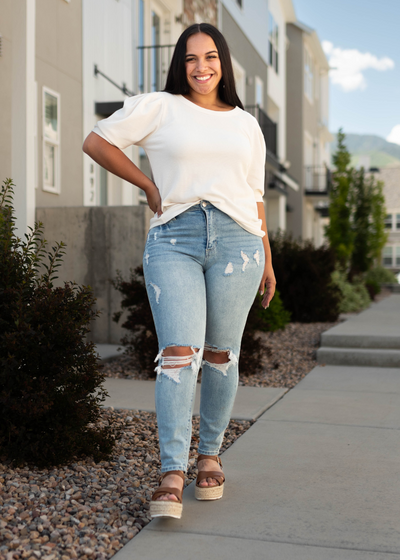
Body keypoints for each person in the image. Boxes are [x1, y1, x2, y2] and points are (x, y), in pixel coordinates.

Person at [83, 22, 276, 520]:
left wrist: (268, 260)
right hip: (175, 239)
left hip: (240, 243)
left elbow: (255, 198)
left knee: (220, 355)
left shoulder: (246, 124)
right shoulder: (159, 107)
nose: (201, 67)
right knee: (177, 355)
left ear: (223, 62)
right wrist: (148, 185)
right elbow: (97, 141)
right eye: (190, 58)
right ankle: (173, 469)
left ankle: (209, 455)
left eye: (210, 56)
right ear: (179, 64)